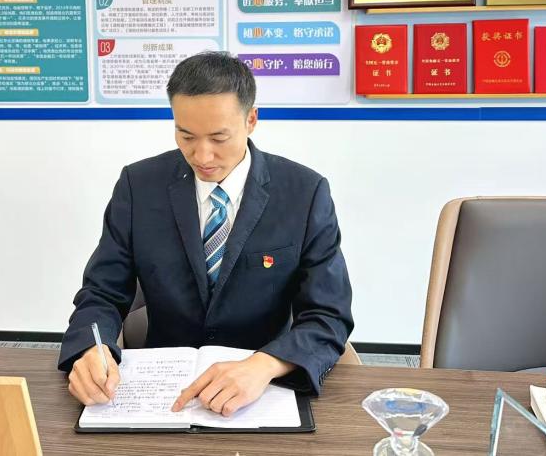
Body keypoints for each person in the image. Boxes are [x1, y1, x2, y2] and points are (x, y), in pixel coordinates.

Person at [58, 51, 353, 417]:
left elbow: (328, 314)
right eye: (186, 135)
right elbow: (102, 291)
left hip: (263, 385)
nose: (202, 155)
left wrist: (266, 365)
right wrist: (92, 347)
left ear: (251, 120)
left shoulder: (304, 193)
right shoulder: (139, 186)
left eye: (219, 137)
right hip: (162, 388)